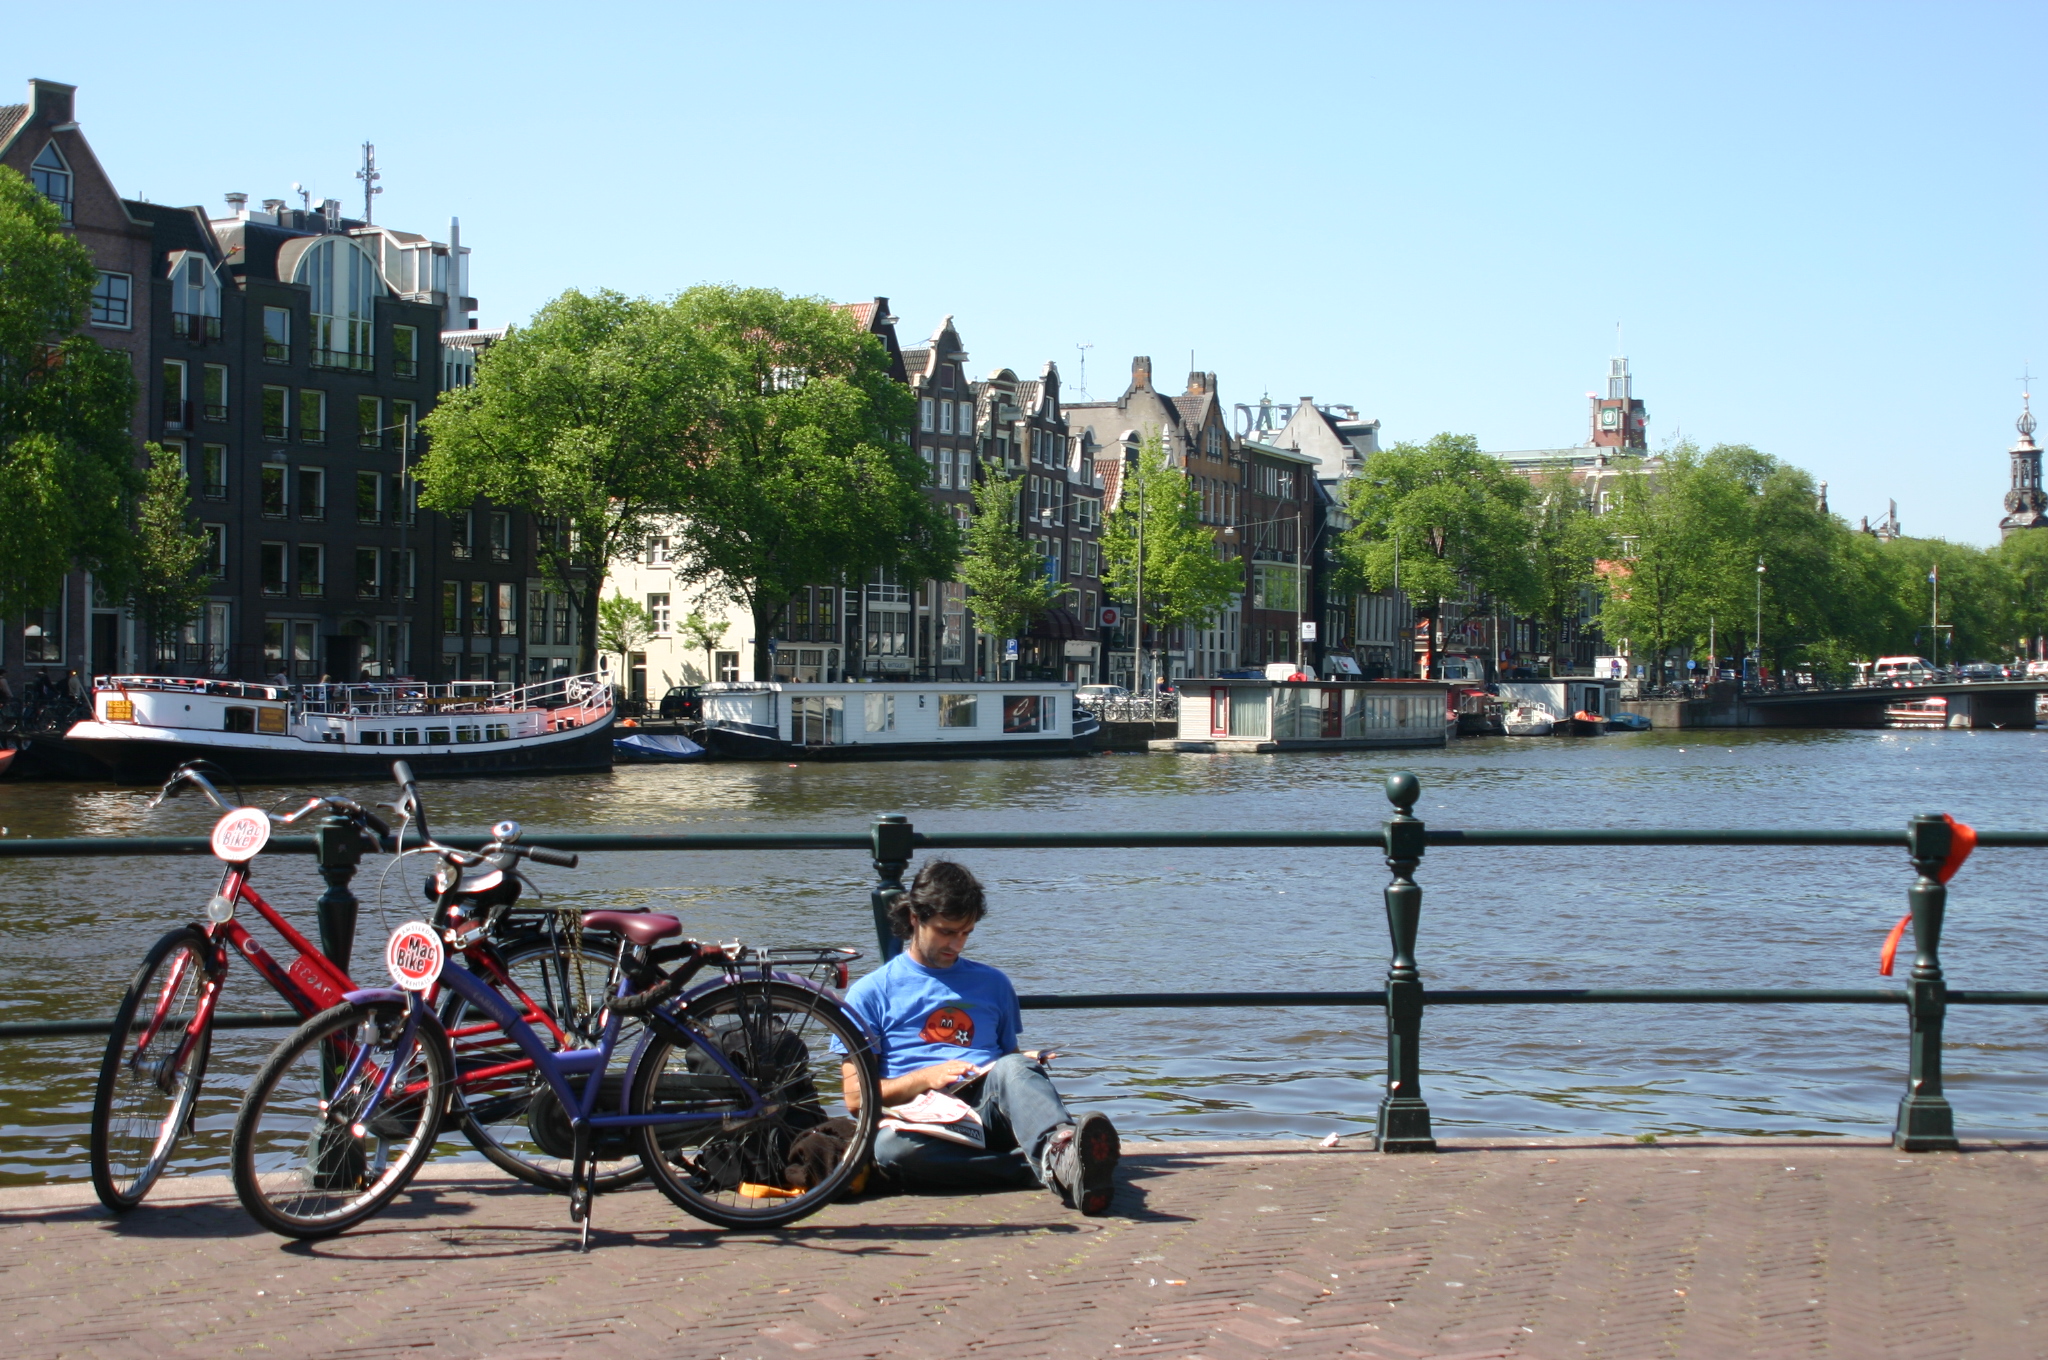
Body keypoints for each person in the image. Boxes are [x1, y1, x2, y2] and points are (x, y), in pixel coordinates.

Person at [840, 861, 1119, 1214]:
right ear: (914, 917)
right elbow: (855, 1099)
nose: (956, 944)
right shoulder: (870, 993)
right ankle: (1050, 1169)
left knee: (1014, 1066)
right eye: (946, 932)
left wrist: (1019, 1066)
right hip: (919, 1122)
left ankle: (1059, 1150)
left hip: (985, 1110)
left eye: (966, 933)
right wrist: (924, 1078)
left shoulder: (993, 983)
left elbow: (1008, 1060)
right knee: (891, 1151)